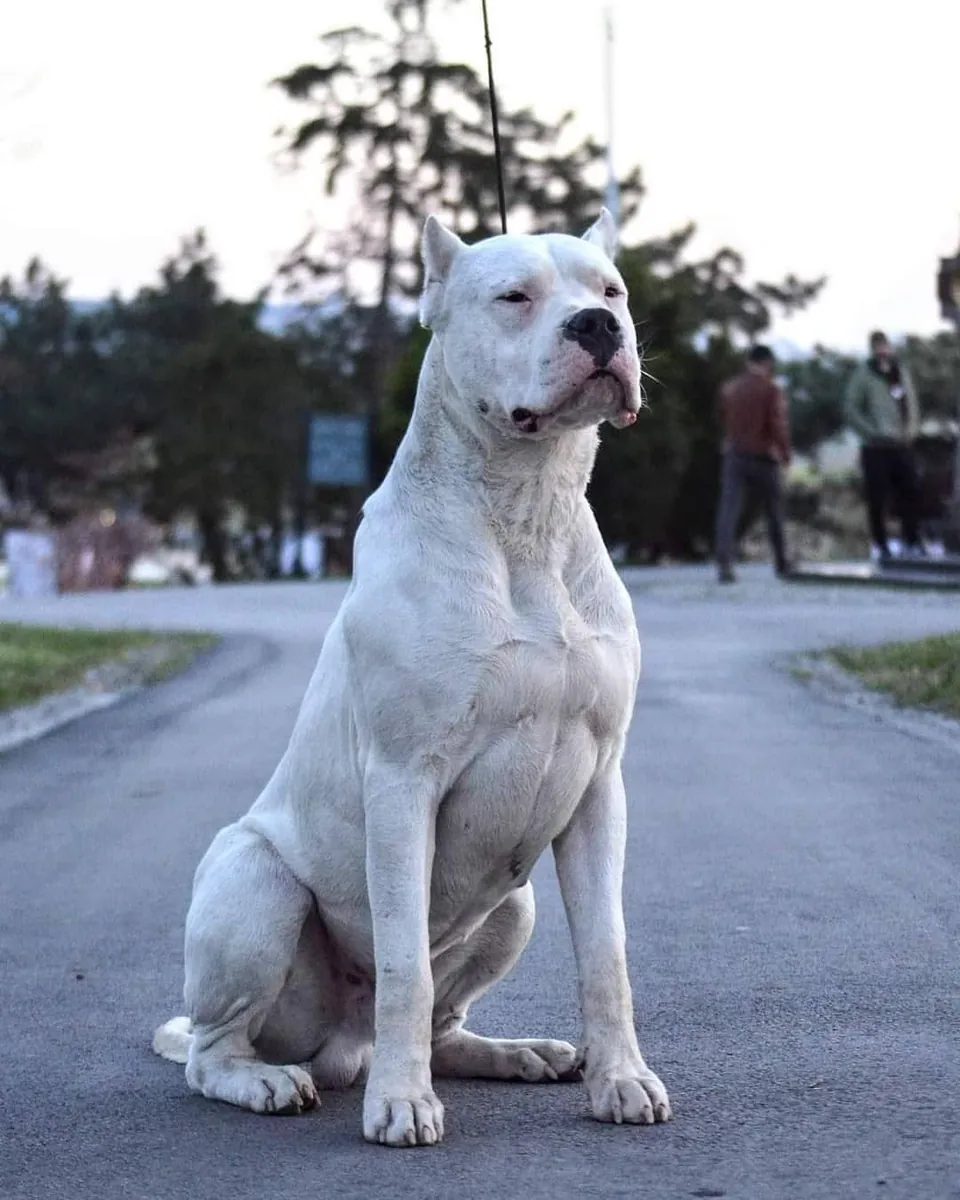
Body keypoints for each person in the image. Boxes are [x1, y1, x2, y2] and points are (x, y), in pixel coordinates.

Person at [714, 344, 792, 584]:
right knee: (774, 511)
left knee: (729, 510)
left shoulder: (730, 389)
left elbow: (721, 417)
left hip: (735, 455)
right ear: (767, 363)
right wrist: (785, 453)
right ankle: (782, 561)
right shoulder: (771, 390)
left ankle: (725, 563)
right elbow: (777, 424)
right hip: (763, 457)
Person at [843, 331, 923, 563]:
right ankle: (881, 543)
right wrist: (870, 432)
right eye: (878, 347)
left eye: (885, 346)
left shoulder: (901, 372)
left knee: (911, 491)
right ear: (872, 349)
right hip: (876, 446)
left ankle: (912, 541)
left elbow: (912, 402)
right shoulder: (864, 375)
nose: (882, 351)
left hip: (902, 443)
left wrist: (912, 431)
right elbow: (851, 408)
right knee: (878, 497)